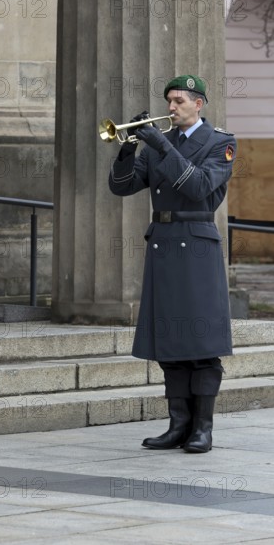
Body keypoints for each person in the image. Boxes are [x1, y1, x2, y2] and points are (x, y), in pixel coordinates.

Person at [109, 74, 236, 454]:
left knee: (201, 342)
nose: (171, 107)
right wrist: (127, 149)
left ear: (199, 103)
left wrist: (160, 145)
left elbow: (198, 187)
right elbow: (122, 187)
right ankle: (178, 424)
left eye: (179, 101)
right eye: (169, 101)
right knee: (171, 343)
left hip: (196, 244)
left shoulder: (220, 142)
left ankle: (203, 428)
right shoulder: (159, 145)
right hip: (163, 245)